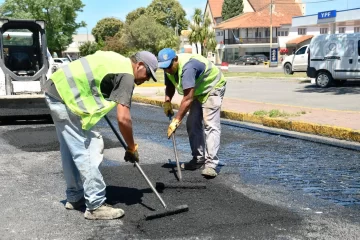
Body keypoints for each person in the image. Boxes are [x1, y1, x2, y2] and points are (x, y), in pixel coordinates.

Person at [43, 50, 158, 220]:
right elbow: (124, 118)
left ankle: (75, 196)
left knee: (71, 149)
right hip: (66, 96)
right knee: (89, 146)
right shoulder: (127, 75)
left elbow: (95, 79)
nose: (147, 79)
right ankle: (95, 205)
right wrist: (131, 147)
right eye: (148, 74)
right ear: (140, 65)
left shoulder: (117, 60)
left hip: (56, 91)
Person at [157, 48, 226, 178]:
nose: (167, 70)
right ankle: (198, 159)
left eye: (169, 66)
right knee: (192, 123)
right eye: (164, 68)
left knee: (210, 125)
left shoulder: (188, 67)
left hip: (212, 87)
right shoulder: (168, 67)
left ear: (175, 59)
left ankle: (211, 165)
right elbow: (170, 85)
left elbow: (187, 99)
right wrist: (167, 101)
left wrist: (176, 120)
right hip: (197, 90)